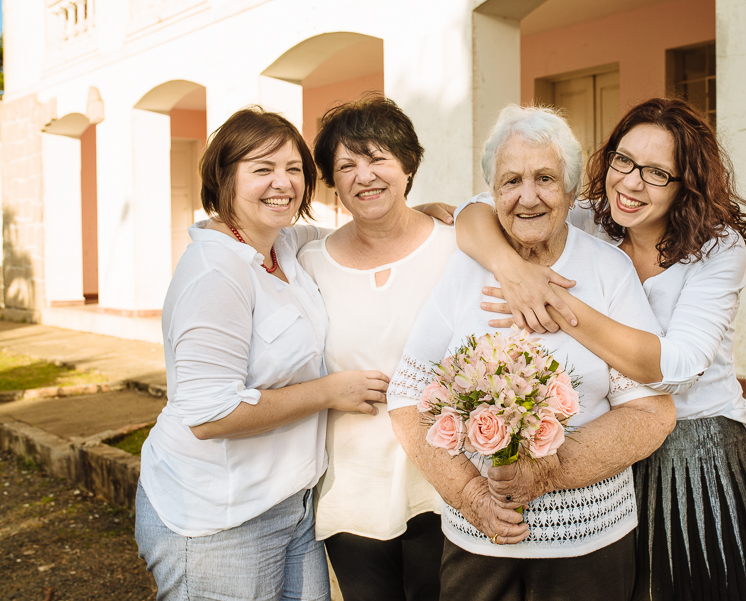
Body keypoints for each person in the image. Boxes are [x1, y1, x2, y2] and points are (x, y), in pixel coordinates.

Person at [455, 97, 746, 600]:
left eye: (656, 173)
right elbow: (474, 211)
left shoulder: (717, 247)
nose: (629, 183)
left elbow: (677, 368)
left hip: (696, 449)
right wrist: (511, 268)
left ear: (686, 183)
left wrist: (553, 300)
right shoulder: (590, 218)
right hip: (612, 445)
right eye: (623, 161)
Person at [386, 105, 676, 601]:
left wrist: (548, 469)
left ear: (569, 190)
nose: (527, 196)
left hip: (589, 541)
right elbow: (407, 396)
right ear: (492, 193)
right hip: (477, 543)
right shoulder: (466, 267)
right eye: (511, 181)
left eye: (544, 178)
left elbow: (651, 411)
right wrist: (471, 494)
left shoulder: (608, 269)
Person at [134, 107, 392, 601]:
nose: (283, 183)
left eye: (293, 169)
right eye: (262, 169)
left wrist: (430, 212)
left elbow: (366, 230)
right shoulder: (215, 273)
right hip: (218, 519)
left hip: (291, 506)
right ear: (224, 178)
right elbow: (211, 415)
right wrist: (330, 393)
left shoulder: (285, 245)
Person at [297, 94, 457, 601]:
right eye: (346, 165)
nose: (363, 176)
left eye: (378, 158)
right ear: (332, 182)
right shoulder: (310, 261)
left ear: (408, 165)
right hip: (352, 485)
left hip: (445, 477)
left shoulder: (458, 244)